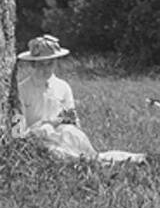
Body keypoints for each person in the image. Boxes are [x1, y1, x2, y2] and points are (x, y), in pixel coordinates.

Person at [12, 35, 145, 163]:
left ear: (55, 63)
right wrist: (38, 132)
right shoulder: (22, 89)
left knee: (76, 141)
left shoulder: (63, 87)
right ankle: (89, 161)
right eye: (41, 64)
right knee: (55, 152)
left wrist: (63, 128)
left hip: (62, 135)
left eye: (50, 64)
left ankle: (125, 158)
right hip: (38, 139)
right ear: (33, 65)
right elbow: (18, 130)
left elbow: (71, 118)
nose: (45, 69)